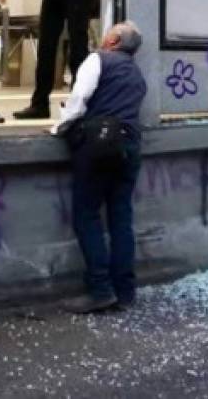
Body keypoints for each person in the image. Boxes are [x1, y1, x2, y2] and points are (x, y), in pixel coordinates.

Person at [51, 21, 146, 314]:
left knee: (87, 216)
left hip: (97, 147)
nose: (105, 34)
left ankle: (101, 289)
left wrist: (60, 126)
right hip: (129, 147)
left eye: (110, 30)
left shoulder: (98, 59)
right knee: (121, 219)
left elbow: (79, 100)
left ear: (114, 40)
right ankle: (126, 291)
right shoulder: (137, 73)